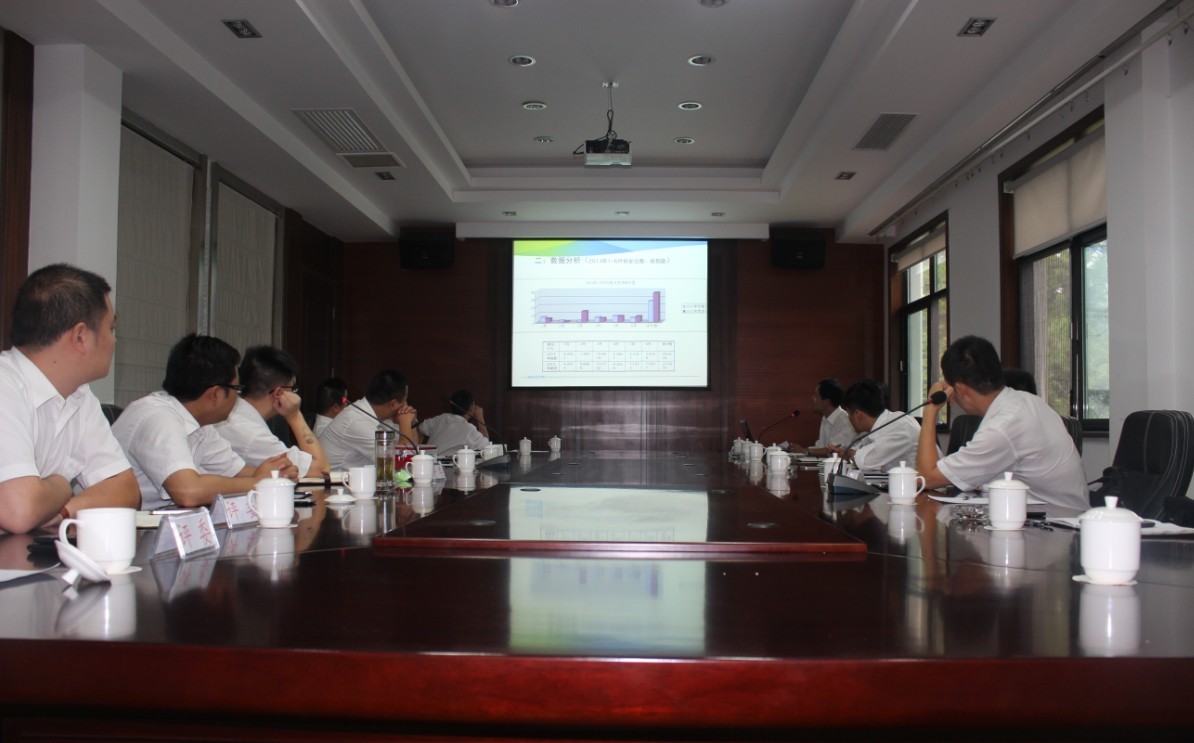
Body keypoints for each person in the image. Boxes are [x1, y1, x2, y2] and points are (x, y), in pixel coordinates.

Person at [0, 264, 139, 533]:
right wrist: (62, 484)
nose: (114, 341)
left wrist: (64, 510)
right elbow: (20, 510)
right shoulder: (5, 385)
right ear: (80, 337)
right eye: (111, 329)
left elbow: (125, 489)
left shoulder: (79, 395)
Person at [113, 334, 296, 510]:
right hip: (132, 528)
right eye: (237, 388)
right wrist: (260, 482)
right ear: (215, 393)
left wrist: (277, 473)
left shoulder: (201, 426)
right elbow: (188, 492)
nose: (238, 397)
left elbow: (240, 473)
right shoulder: (158, 417)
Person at [916, 336, 1088, 510]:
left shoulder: (1002, 427)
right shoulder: (1027, 401)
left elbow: (926, 478)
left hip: (1053, 522)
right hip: (1055, 515)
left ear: (959, 389)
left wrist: (930, 409)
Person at [214, 345, 328, 478]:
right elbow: (321, 470)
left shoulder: (238, 415)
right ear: (279, 393)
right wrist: (295, 415)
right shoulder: (252, 433)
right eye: (293, 389)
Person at [319, 369, 417, 469]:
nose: (406, 405)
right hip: (336, 479)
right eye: (405, 401)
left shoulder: (373, 415)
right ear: (393, 404)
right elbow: (399, 465)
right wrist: (405, 422)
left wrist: (411, 424)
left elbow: (414, 456)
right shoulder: (357, 422)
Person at [832, 379, 930, 474]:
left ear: (858, 414)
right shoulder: (875, 428)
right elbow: (856, 451)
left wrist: (849, 454)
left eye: (849, 414)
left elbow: (864, 460)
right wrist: (848, 453)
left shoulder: (899, 427)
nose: (848, 418)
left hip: (924, 484)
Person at [418, 389, 490, 456]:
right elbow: (487, 447)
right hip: (446, 465)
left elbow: (420, 428)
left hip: (426, 461)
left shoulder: (441, 418)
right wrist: (480, 418)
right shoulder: (468, 429)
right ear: (471, 407)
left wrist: (418, 450)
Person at [795, 378, 854, 457]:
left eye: (816, 396)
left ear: (826, 401)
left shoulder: (846, 421)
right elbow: (821, 447)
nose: (812, 398)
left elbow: (832, 449)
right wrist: (800, 451)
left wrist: (804, 451)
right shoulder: (825, 417)